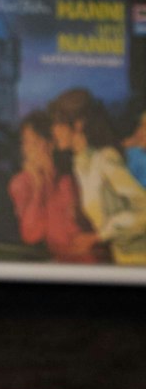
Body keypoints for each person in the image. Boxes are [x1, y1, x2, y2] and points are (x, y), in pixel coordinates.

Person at [50, 87, 146, 264]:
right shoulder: (79, 166)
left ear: (78, 125)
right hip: (121, 260)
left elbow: (144, 210)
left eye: (58, 123)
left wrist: (97, 237)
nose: (53, 131)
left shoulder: (105, 159)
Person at [6, 108, 100, 263]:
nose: (27, 149)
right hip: (58, 262)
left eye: (34, 142)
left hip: (89, 257)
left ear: (50, 144)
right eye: (25, 142)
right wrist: (38, 187)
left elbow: (86, 223)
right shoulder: (20, 183)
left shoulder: (69, 178)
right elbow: (31, 235)